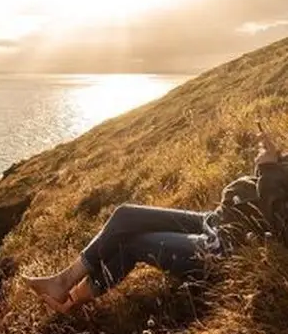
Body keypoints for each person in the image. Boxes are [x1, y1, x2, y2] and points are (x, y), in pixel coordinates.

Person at [24, 130, 287, 314]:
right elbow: (267, 195)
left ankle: (71, 299)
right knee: (126, 214)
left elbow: (280, 222)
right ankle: (63, 281)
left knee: (133, 244)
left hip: (225, 247)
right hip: (219, 220)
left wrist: (268, 169)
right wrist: (270, 160)